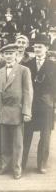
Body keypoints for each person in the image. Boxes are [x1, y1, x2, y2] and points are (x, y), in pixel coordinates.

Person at [0, 43, 33, 180]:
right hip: (3, 111)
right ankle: (4, 165)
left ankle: (17, 168)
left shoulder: (23, 70)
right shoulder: (0, 72)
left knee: (17, 143)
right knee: (4, 142)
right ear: (3, 56)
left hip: (17, 111)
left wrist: (27, 112)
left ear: (16, 54)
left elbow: (28, 92)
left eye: (11, 53)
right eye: (6, 54)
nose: (8, 56)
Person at [22, 34, 56, 174]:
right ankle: (22, 163)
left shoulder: (53, 65)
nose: (37, 49)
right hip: (31, 104)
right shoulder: (27, 65)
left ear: (46, 48)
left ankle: (41, 164)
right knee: (26, 134)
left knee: (45, 135)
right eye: (35, 47)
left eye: (40, 47)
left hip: (46, 105)